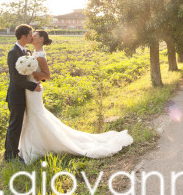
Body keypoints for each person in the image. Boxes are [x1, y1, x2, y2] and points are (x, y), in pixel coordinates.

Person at [18, 30, 133, 163]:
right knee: (32, 115)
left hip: (34, 89)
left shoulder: (40, 55)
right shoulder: (34, 53)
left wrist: (33, 74)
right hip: (31, 89)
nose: (32, 37)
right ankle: (33, 144)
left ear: (41, 39)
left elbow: (47, 75)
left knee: (36, 115)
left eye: (35, 35)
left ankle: (39, 145)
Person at [4, 24, 42, 162]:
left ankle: (15, 151)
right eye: (30, 34)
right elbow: (15, 78)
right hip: (16, 95)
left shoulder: (25, 51)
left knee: (19, 124)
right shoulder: (13, 52)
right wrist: (32, 86)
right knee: (14, 125)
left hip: (24, 95)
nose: (32, 37)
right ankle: (9, 155)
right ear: (23, 36)